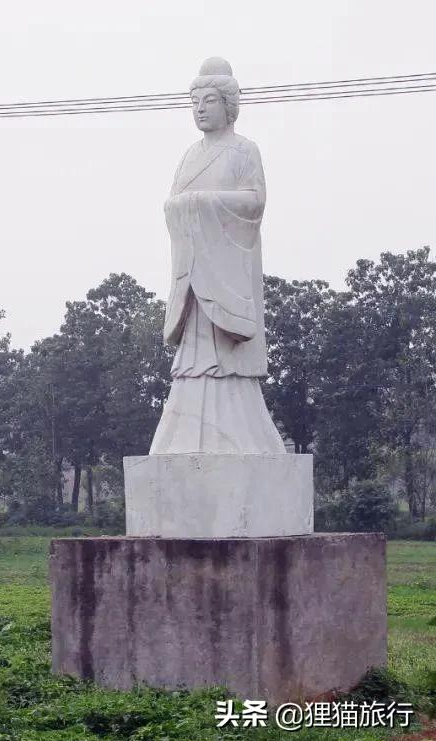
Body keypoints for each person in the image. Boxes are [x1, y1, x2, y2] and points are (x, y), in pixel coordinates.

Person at [149, 57, 285, 455]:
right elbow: (173, 205)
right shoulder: (190, 156)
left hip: (227, 275)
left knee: (227, 359)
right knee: (194, 356)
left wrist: (201, 203)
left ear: (228, 105)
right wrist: (186, 208)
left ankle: (237, 425)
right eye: (194, 102)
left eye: (208, 100)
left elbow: (254, 204)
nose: (200, 109)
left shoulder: (245, 151)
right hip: (195, 281)